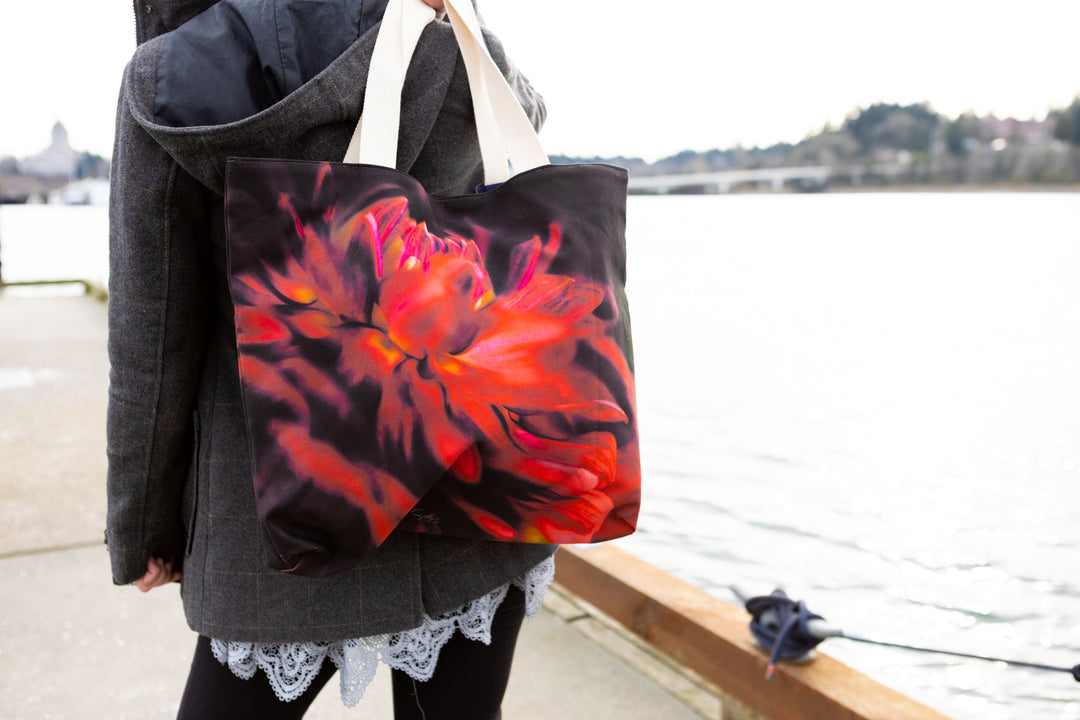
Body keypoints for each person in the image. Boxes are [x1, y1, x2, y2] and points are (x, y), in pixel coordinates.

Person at [106, 1, 556, 717]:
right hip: (475, 495)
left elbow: (153, 337)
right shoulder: (455, 39)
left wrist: (143, 527)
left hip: (279, 524)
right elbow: (524, 150)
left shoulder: (174, 76)